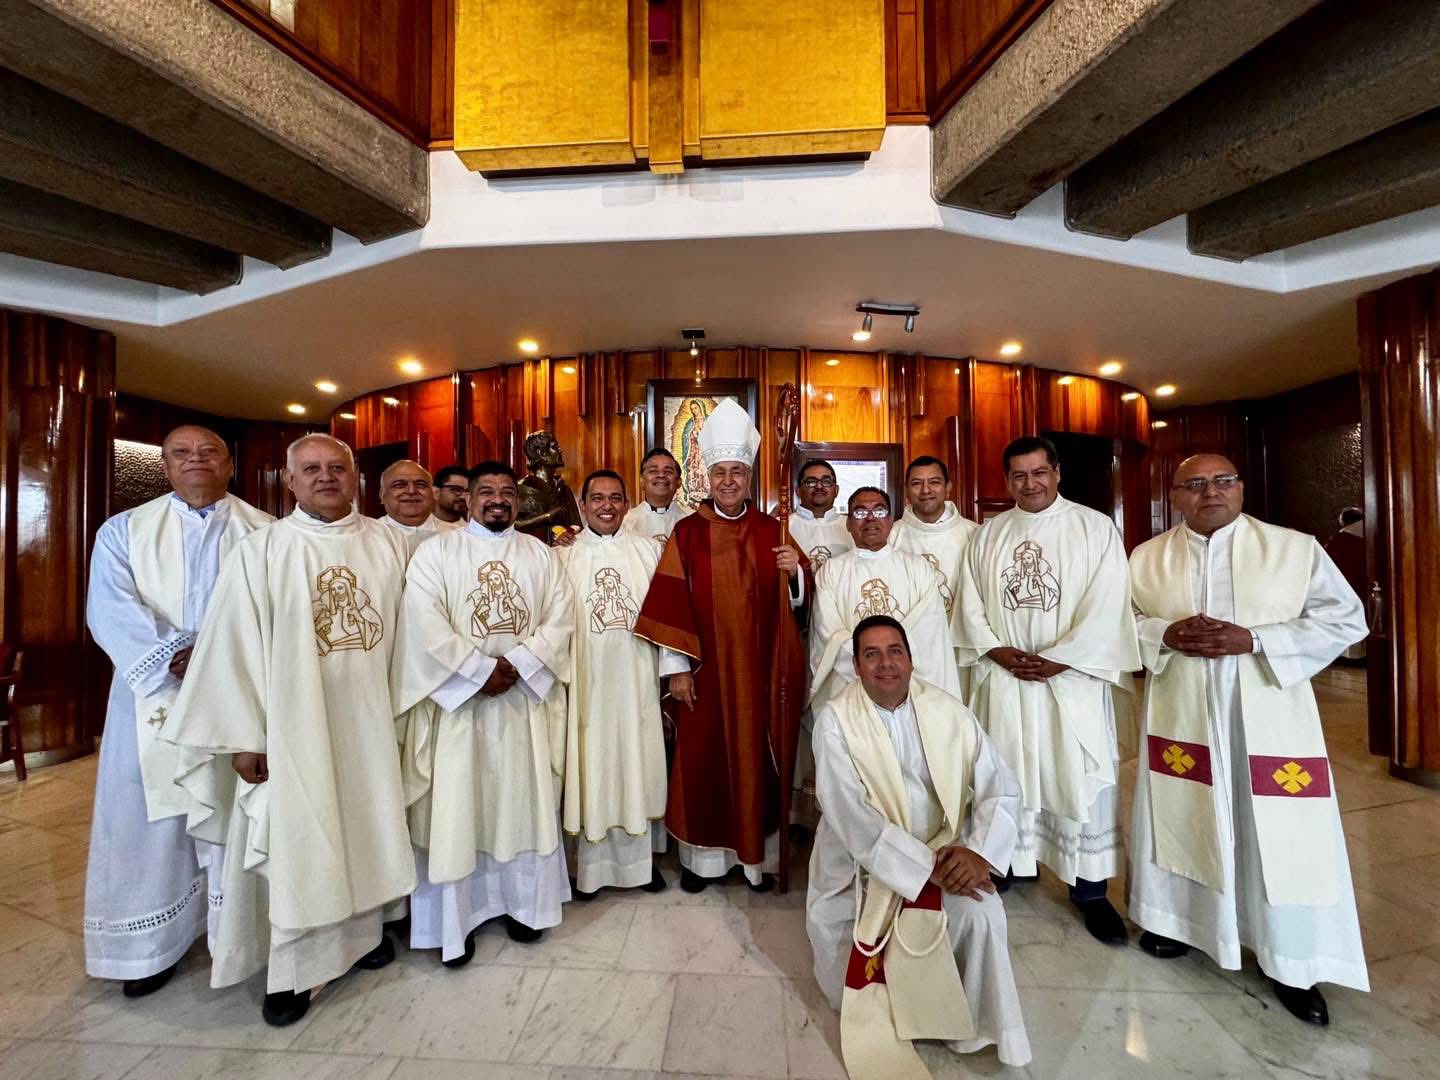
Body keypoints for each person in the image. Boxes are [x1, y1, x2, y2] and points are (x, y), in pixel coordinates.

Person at [162, 434, 415, 1026]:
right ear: (291, 480)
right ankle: (294, 971)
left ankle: (364, 936)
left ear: (354, 478)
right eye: (312, 469)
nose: (326, 477)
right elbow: (232, 647)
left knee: (368, 826)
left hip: (373, 724)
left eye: (337, 468)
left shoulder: (388, 544)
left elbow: (413, 637)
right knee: (301, 838)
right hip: (292, 730)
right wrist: (245, 737)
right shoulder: (263, 550)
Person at [1128, 454, 1369, 1026]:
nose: (1210, 492)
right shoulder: (1146, 558)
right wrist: (1164, 632)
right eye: (1194, 484)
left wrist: (1256, 641)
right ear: (1175, 496)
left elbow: (1346, 619)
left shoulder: (1293, 549)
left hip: (1266, 712)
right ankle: (1182, 923)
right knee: (1185, 814)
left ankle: (1291, 958)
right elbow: (1119, 622)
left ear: (1240, 488)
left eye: (1223, 481)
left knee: (1276, 832)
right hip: (1183, 711)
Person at [83, 425, 273, 997]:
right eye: (182, 453)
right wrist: (171, 655)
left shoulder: (266, 531)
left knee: (231, 815)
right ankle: (150, 949)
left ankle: (232, 935)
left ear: (230, 464)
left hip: (236, 693)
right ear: (165, 466)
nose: (196, 460)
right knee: (149, 821)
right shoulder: (123, 531)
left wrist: (216, 658)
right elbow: (109, 607)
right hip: (153, 697)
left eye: (210, 451)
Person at [807, 616, 1030, 1071]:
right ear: (856, 666)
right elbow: (851, 817)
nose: (885, 664)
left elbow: (1001, 787)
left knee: (984, 910)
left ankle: (969, 1026)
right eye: (871, 654)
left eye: (895, 651)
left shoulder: (947, 711)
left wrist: (978, 853)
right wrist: (924, 867)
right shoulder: (835, 721)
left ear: (911, 659)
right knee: (844, 994)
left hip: (942, 850)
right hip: (861, 867)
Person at [953, 435, 1139, 945]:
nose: (1029, 483)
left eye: (1039, 472)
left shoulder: (1094, 528)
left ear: (1057, 473)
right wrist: (994, 648)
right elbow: (969, 603)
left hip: (1072, 682)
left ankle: (1090, 890)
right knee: (1006, 770)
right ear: (1006, 480)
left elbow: (1109, 601)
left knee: (1077, 776)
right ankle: (1010, 862)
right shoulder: (989, 535)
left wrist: (1065, 656)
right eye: (1019, 475)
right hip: (1007, 680)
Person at [393, 460, 575, 966]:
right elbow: (423, 621)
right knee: (459, 811)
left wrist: (517, 664)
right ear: (468, 499)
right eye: (487, 491)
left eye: (507, 492)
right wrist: (477, 671)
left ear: (517, 500)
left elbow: (561, 617)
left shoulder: (540, 554)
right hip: (459, 711)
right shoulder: (436, 552)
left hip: (521, 707)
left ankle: (525, 907)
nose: (498, 500)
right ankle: (457, 924)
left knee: (522, 807)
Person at [633, 398, 810, 892]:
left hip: (759, 673)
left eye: (737, 471)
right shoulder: (687, 533)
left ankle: (754, 863)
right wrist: (677, 669)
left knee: (757, 762)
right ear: (706, 477)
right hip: (704, 672)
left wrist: (795, 575)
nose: (728, 481)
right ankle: (702, 864)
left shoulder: (773, 530)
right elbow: (671, 604)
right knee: (703, 760)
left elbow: (798, 604)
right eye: (719, 472)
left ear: (749, 477)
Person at [558, 470, 668, 897]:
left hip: (637, 679)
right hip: (585, 683)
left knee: (636, 761)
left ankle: (640, 866)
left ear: (626, 504)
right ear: (583, 506)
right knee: (590, 764)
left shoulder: (649, 552)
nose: (607, 506)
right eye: (597, 498)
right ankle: (589, 870)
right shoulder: (562, 556)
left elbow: (668, 616)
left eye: (615, 498)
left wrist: (670, 669)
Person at [809, 487, 963, 706]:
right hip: (851, 686)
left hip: (911, 687)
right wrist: (868, 669)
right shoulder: (831, 571)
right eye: (860, 512)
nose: (870, 518)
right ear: (848, 523)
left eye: (879, 511)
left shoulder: (918, 568)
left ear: (891, 521)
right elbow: (830, 634)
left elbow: (928, 630)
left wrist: (891, 668)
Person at [890, 455, 979, 695]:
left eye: (934, 482)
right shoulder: (892, 536)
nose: (926, 490)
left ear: (948, 487)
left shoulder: (973, 534)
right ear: (906, 490)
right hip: (910, 648)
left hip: (960, 645)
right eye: (916, 483)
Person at [788, 459, 853, 571]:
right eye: (811, 482)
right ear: (798, 491)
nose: (819, 486)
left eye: (826, 481)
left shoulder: (852, 526)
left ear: (836, 490)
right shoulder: (782, 525)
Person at [1322, 507, 1367, 661]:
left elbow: (1327, 565)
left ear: (1344, 522)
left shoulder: (1339, 540)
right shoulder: (1376, 532)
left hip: (1346, 587)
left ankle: (1351, 655)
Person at [622, 448, 691, 544]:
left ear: (679, 482)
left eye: (668, 471)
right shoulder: (625, 523)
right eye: (653, 471)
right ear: (642, 481)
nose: (661, 475)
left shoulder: (693, 520)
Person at [377, 459, 442, 557]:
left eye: (420, 485)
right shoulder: (366, 536)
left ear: (433, 493)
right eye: (399, 485)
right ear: (382, 495)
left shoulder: (455, 535)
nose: (411, 491)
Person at [432, 465, 472, 529]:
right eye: (456, 489)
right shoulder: (419, 526)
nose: (463, 497)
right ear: (436, 492)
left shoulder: (471, 531)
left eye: (467, 491)